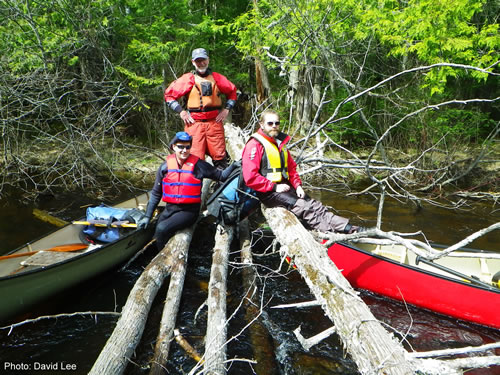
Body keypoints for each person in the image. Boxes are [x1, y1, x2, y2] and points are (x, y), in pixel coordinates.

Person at [241, 110, 364, 234]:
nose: (274, 126)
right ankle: (331, 234)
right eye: (270, 123)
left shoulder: (279, 143)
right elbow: (250, 177)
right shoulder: (254, 145)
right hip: (268, 192)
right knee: (304, 207)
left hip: (284, 187)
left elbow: (291, 169)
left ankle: (349, 228)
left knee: (315, 205)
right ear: (261, 124)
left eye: (276, 123)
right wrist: (274, 187)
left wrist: (298, 186)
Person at [137, 132, 238, 250]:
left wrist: (234, 166)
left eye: (187, 147)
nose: (184, 150)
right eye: (180, 147)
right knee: (155, 230)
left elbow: (221, 176)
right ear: (173, 147)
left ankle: (166, 261)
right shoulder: (165, 167)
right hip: (170, 209)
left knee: (161, 229)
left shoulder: (199, 165)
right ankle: (157, 254)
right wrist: (147, 216)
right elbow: (156, 193)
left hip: (189, 212)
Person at [164, 48, 237, 169]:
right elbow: (169, 96)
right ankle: (195, 187)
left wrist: (227, 109)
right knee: (193, 160)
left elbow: (233, 92)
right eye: (198, 61)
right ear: (193, 62)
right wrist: (181, 112)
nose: (201, 63)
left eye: (203, 60)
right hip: (194, 124)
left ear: (208, 60)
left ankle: (221, 186)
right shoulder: (188, 79)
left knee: (220, 159)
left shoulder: (217, 78)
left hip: (214, 123)